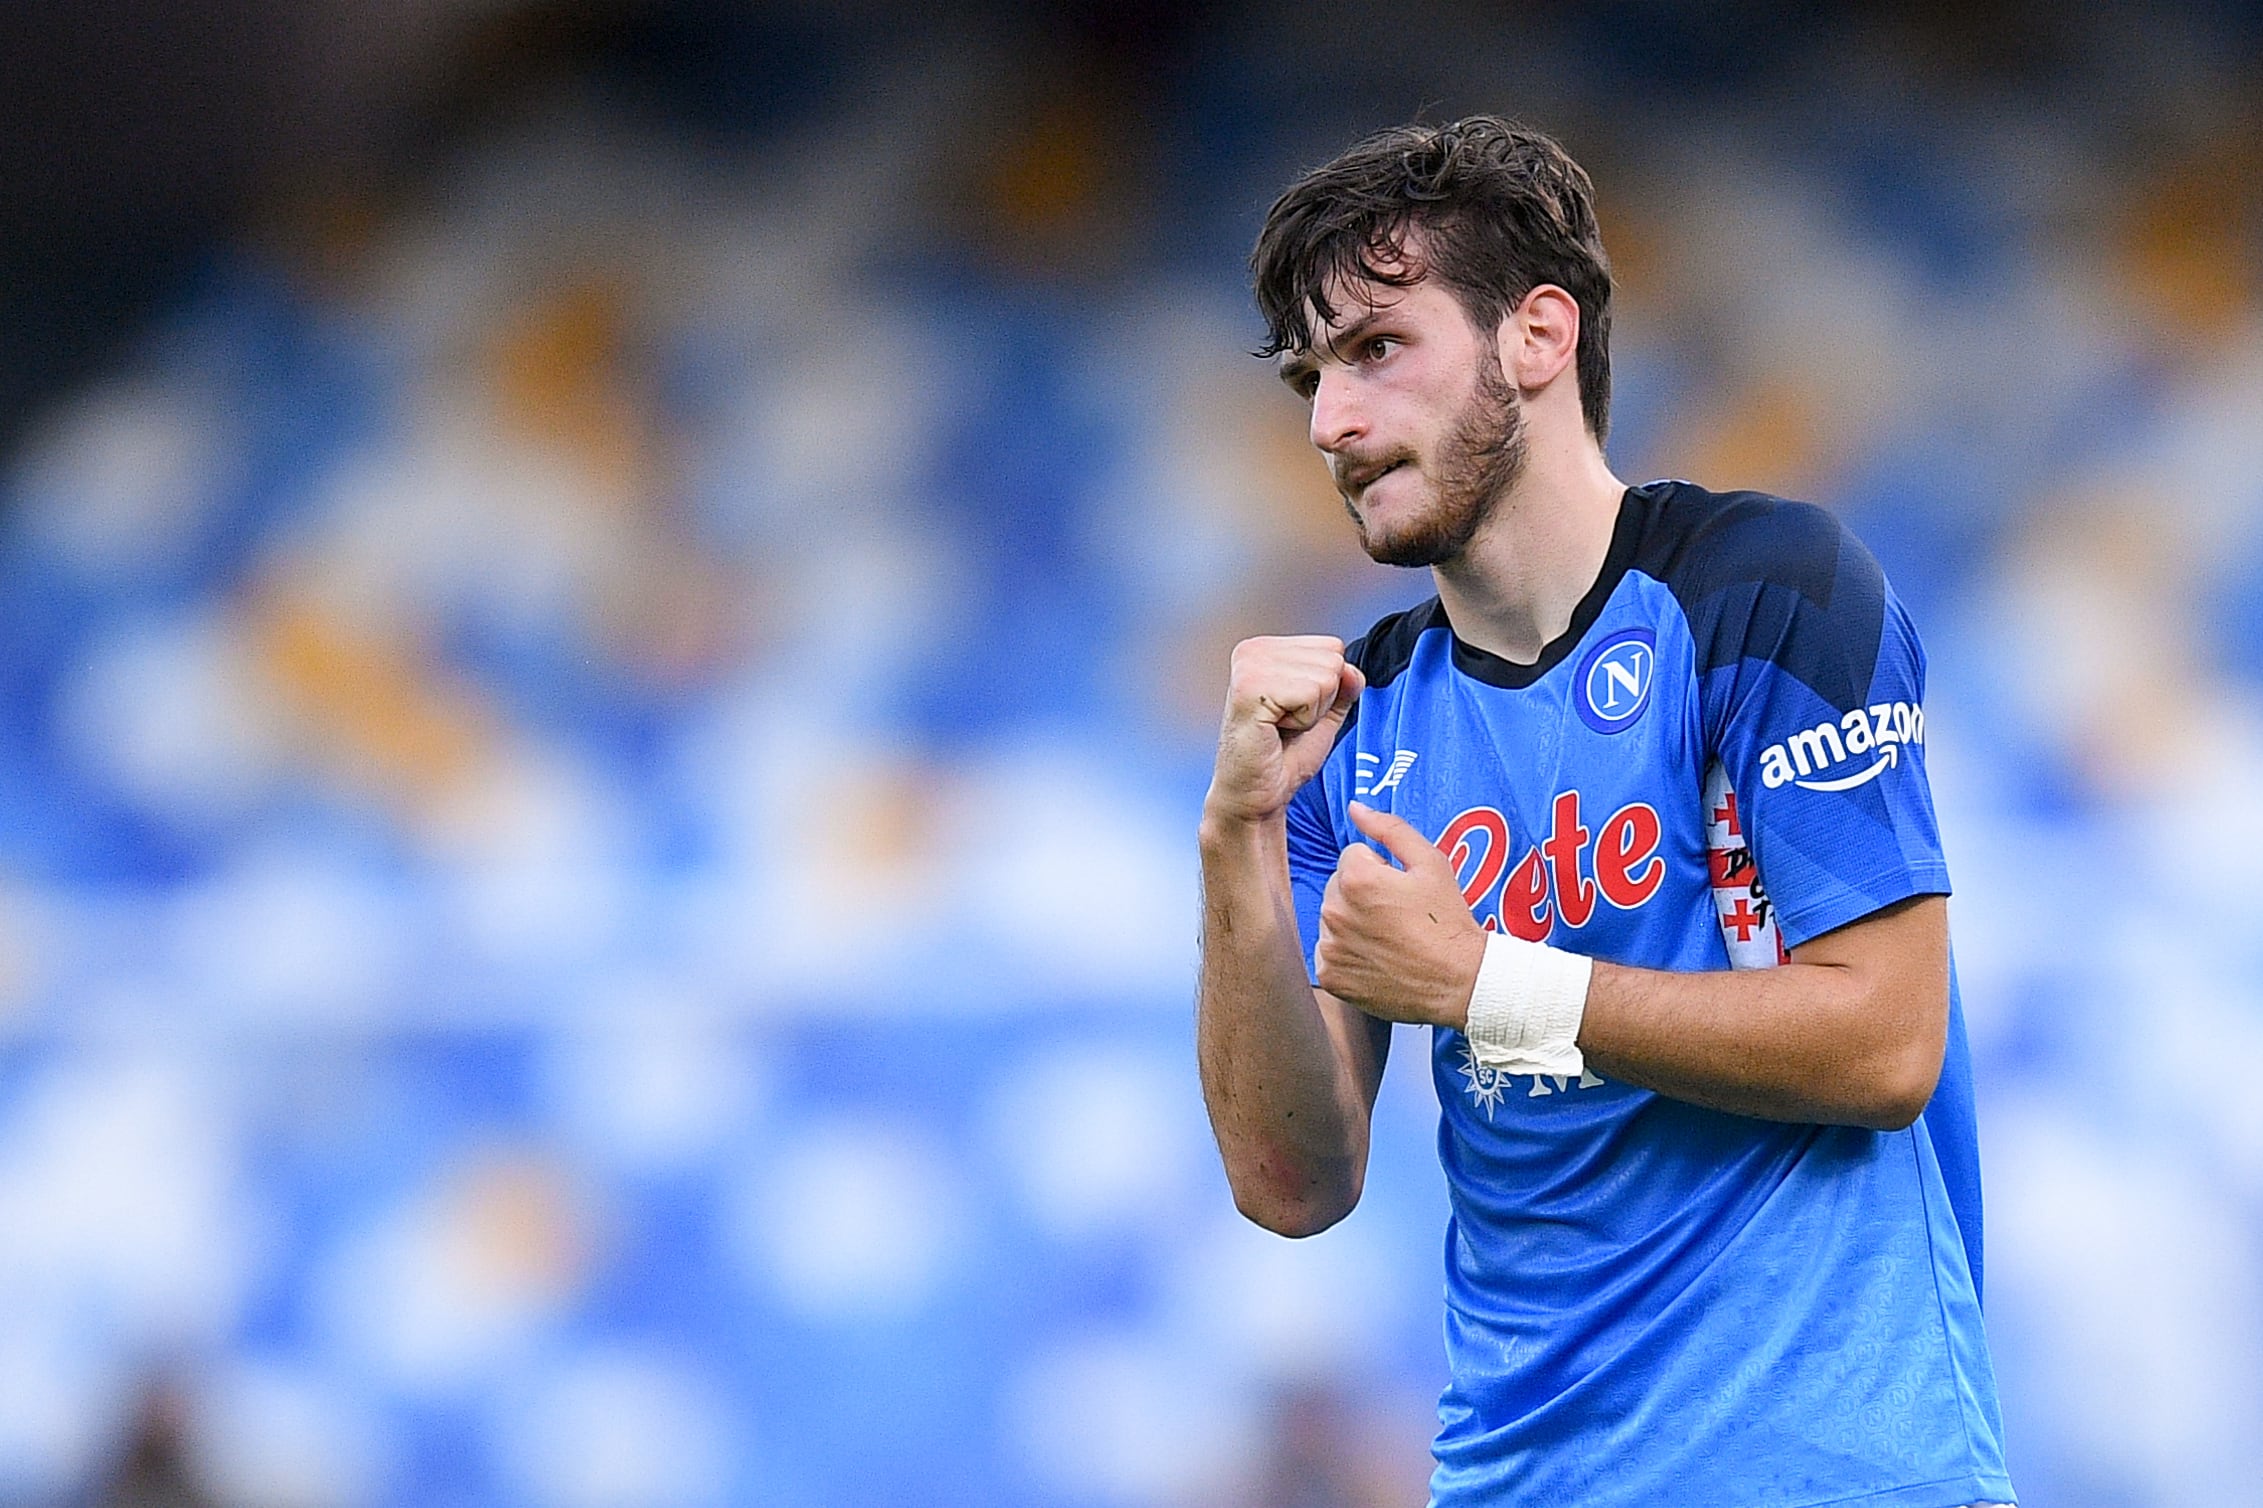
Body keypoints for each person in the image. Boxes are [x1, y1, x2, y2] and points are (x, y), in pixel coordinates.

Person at [1195, 117, 2015, 1508]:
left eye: (1378, 349)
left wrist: (1489, 986)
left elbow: (1885, 1041)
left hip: (1831, 1476)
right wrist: (1237, 850)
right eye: (1312, 377)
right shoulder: (1354, 721)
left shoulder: (1764, 593)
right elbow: (1289, 1179)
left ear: (1537, 336)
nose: (1332, 421)